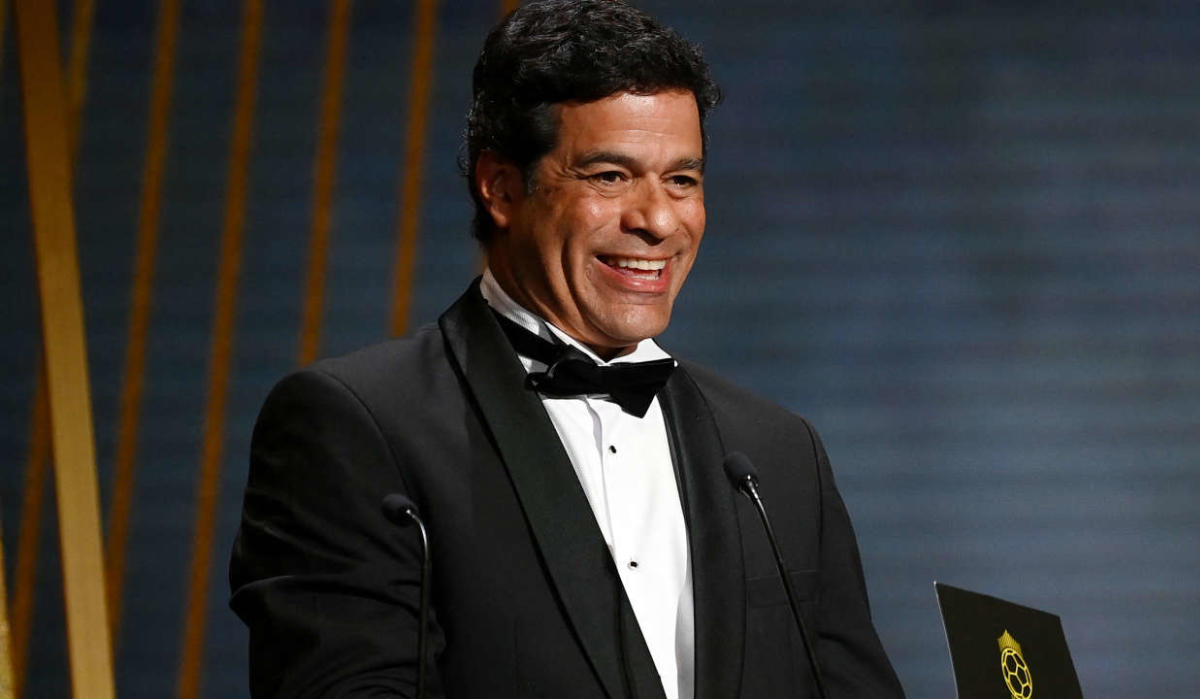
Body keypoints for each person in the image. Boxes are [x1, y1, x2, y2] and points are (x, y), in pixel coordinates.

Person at [229, 1, 904, 697]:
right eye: (610, 176)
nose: (657, 220)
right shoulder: (357, 428)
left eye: (682, 179)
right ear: (500, 187)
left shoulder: (776, 453)